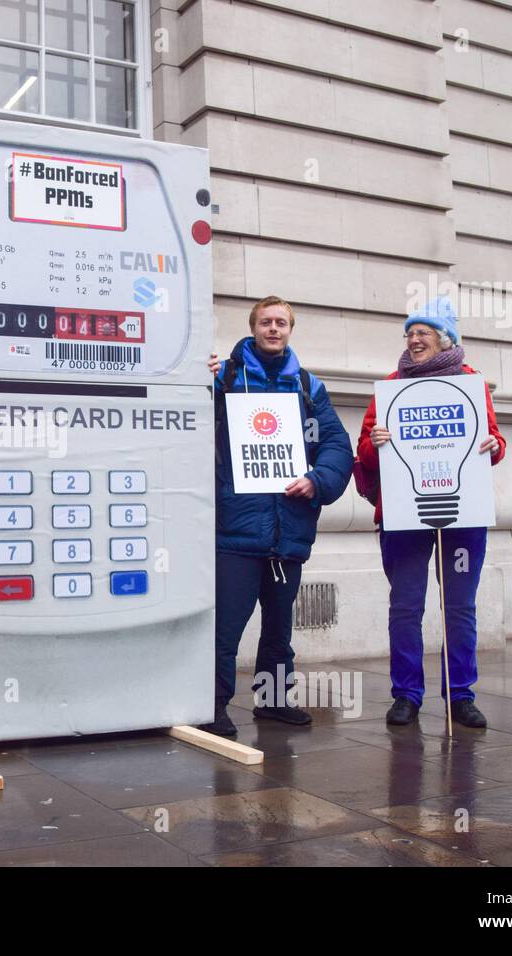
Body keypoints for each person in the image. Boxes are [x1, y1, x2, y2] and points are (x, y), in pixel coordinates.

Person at [201, 296, 353, 738]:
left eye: (281, 322)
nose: (273, 329)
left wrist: (317, 480)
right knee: (225, 628)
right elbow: (189, 427)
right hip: (236, 528)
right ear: (253, 327)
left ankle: (273, 702)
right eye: (266, 322)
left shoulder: (307, 386)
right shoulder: (225, 377)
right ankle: (212, 705)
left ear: (290, 329)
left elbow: (336, 447)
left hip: (288, 530)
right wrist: (199, 383)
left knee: (278, 627)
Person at [356, 296, 506, 728]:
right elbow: (364, 455)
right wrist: (376, 442)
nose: (414, 339)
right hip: (404, 516)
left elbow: (494, 442)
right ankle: (406, 694)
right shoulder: (390, 387)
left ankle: (461, 695)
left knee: (459, 607)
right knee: (405, 607)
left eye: (423, 332)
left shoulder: (471, 384)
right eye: (410, 333)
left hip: (463, 515)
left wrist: (494, 447)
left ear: (445, 340)